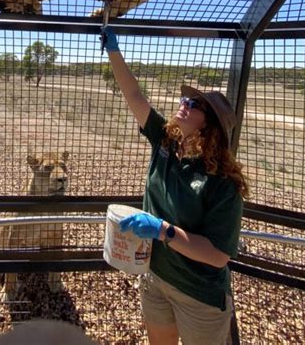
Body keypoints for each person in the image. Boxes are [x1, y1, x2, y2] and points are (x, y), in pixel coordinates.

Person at [101, 27, 248, 345]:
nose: (184, 103)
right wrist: (113, 50)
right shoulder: (164, 141)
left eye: (194, 104)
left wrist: (162, 230)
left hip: (199, 294)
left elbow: (218, 256)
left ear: (209, 126)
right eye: (186, 99)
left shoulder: (223, 184)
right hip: (155, 277)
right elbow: (134, 96)